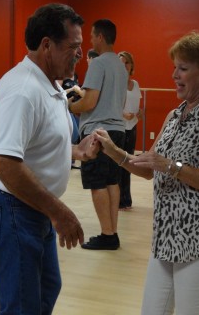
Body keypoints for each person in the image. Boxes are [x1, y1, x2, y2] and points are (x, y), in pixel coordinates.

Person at [93, 32, 199, 314]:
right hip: (167, 237)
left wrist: (172, 167)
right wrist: (111, 150)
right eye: (175, 67)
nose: (174, 75)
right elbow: (149, 168)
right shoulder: (175, 115)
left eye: (183, 68)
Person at [0, 3, 99, 315]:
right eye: (73, 47)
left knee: (44, 291)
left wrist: (77, 151)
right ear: (47, 45)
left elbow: (34, 144)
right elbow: (3, 162)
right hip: (12, 208)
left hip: (31, 206)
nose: (79, 55)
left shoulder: (51, 85)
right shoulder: (23, 91)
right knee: (22, 306)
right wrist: (60, 212)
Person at [68, 19, 128, 250]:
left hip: (97, 132)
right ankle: (112, 232)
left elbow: (89, 102)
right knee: (113, 181)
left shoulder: (98, 63)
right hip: (117, 130)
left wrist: (69, 107)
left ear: (100, 37)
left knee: (97, 183)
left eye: (92, 36)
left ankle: (107, 234)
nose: (91, 41)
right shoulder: (121, 66)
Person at [117, 51, 142, 210]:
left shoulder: (136, 84)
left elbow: (137, 106)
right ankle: (118, 200)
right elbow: (110, 106)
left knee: (129, 163)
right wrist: (122, 114)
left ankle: (126, 199)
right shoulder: (115, 84)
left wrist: (139, 113)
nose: (124, 65)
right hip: (119, 128)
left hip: (132, 126)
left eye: (127, 62)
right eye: (121, 62)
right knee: (119, 164)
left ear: (131, 65)